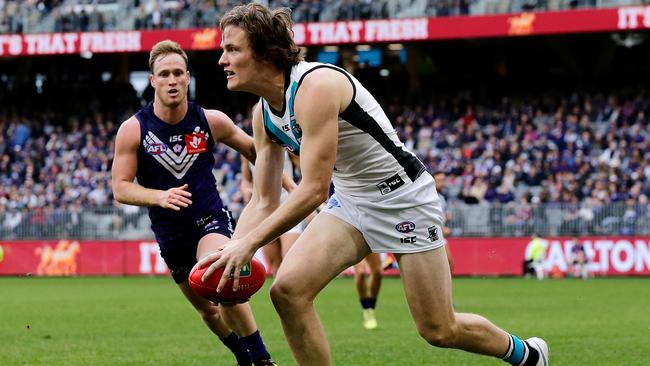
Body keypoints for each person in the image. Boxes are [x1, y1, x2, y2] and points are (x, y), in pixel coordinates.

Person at [198, 4, 549, 366]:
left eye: (232, 49)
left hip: (403, 198)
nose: (222, 59)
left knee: (439, 329)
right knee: (288, 292)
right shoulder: (263, 113)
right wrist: (232, 249)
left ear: (265, 51)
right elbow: (263, 199)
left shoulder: (315, 87)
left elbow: (314, 189)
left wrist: (249, 244)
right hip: (351, 202)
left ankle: (528, 354)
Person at [111, 40, 276, 366]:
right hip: (170, 233)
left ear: (187, 77)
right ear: (153, 80)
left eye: (177, 73)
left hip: (209, 218)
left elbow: (258, 152)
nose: (172, 80)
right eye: (164, 74)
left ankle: (262, 360)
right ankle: (243, 357)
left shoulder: (211, 120)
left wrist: (283, 180)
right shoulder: (133, 130)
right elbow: (120, 188)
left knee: (221, 278)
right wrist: (159, 196)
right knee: (209, 312)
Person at [241, 149, 306, 276]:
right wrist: (246, 190)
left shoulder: (286, 145)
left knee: (290, 264)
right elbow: (246, 180)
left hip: (288, 208)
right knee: (275, 266)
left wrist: (300, 196)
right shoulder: (247, 147)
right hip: (264, 212)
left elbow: (306, 176)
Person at [432, 171, 455, 274]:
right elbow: (430, 218)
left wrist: (447, 216)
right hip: (432, 235)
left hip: (440, 235)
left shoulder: (441, 197)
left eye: (443, 180)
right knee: (445, 266)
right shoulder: (430, 197)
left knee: (448, 266)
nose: (442, 183)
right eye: (439, 181)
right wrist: (442, 228)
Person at [353, 253, 383, 329]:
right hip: (355, 241)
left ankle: (371, 307)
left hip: (372, 241)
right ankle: (366, 309)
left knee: (378, 272)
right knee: (361, 272)